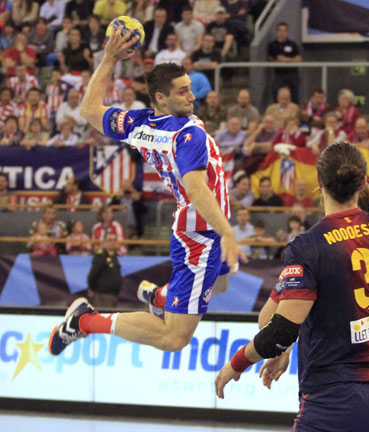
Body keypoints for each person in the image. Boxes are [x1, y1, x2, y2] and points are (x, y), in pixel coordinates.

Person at [214, 141, 369, 431]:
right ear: (363, 183)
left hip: (334, 399)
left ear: (319, 182)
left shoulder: (308, 246)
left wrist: (237, 363)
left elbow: (279, 329)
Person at [48, 29, 245, 357]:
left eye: (190, 88)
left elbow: (90, 109)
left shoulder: (140, 125)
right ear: (161, 99)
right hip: (202, 234)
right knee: (174, 339)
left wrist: (109, 58)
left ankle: (159, 296)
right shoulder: (188, 134)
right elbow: (196, 188)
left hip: (200, 225)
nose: (192, 96)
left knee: (221, 283)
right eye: (182, 91)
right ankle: (84, 321)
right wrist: (227, 233)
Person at [267, 22, 301, 102]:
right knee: (275, 89)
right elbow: (270, 59)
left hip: (292, 73)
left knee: (294, 93)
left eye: (284, 31)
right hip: (279, 74)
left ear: (287, 32)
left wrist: (286, 60)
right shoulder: (272, 45)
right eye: (280, 30)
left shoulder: (292, 44)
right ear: (277, 31)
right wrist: (277, 61)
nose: (282, 33)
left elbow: (298, 59)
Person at [87, 231, 123, 308]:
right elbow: (94, 273)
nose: (112, 242)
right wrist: (92, 287)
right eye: (110, 240)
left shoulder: (114, 256)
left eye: (114, 240)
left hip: (113, 294)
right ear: (104, 242)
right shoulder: (100, 256)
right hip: (103, 294)